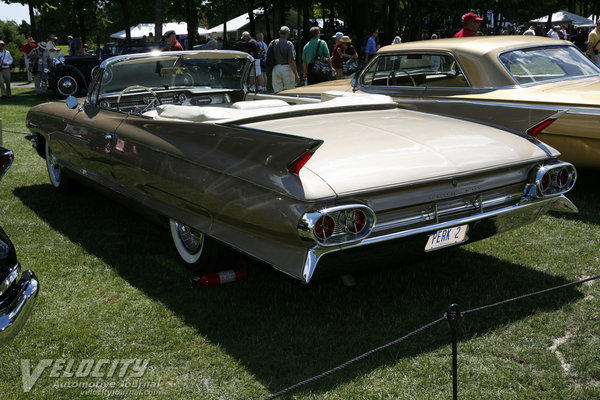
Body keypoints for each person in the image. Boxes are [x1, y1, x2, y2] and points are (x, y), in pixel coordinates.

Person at [268, 26, 301, 92]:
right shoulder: (289, 44)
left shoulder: (273, 42)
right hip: (286, 68)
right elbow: (291, 60)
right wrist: (296, 74)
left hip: (275, 68)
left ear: (279, 33)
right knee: (290, 91)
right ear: (288, 34)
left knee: (277, 91)